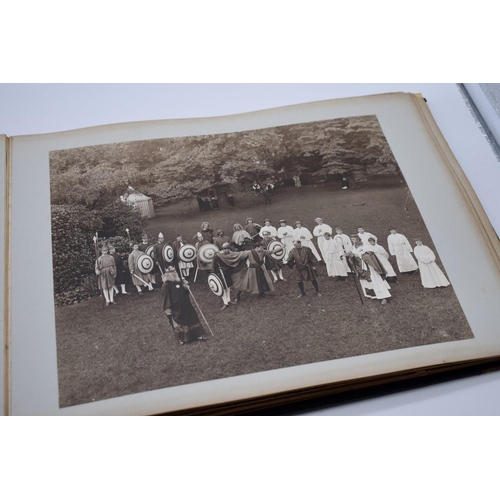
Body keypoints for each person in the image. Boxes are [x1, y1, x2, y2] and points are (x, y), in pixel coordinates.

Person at [160, 266, 207, 345]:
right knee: (179, 322)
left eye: (175, 272)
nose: (175, 274)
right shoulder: (166, 285)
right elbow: (165, 298)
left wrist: (186, 288)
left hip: (186, 305)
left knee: (192, 319)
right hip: (176, 308)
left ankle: (197, 335)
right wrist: (168, 309)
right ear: (168, 275)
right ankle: (182, 338)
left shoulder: (180, 281)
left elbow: (185, 293)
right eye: (173, 273)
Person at [349, 235, 391, 305]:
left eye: (353, 239)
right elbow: (353, 254)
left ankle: (384, 296)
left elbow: (369, 254)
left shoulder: (365, 246)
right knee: (367, 280)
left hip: (369, 266)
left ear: (358, 239)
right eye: (351, 239)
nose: (352, 240)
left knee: (375, 279)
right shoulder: (353, 247)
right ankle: (373, 294)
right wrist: (350, 255)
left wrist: (359, 255)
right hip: (360, 266)